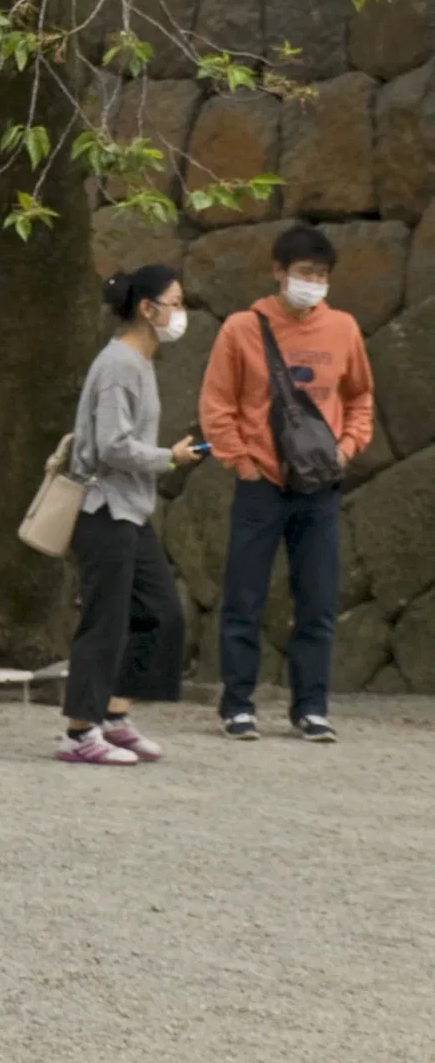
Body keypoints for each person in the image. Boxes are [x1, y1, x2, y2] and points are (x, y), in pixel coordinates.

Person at [199, 224, 375, 744]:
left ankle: (312, 707)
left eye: (321, 275)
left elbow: (361, 397)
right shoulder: (241, 329)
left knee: (318, 600)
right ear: (279, 272)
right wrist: (242, 463)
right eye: (304, 273)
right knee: (244, 597)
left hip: (320, 485)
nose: (312, 283)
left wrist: (346, 448)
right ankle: (237, 705)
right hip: (262, 483)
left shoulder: (344, 329)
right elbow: (217, 405)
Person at [58, 265, 203, 766]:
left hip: (129, 512)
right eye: (176, 302)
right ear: (148, 308)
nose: (181, 313)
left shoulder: (139, 363)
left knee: (161, 614)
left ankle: (115, 714)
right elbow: (112, 445)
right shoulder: (120, 364)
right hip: (104, 510)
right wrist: (170, 458)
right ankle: (80, 732)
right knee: (104, 622)